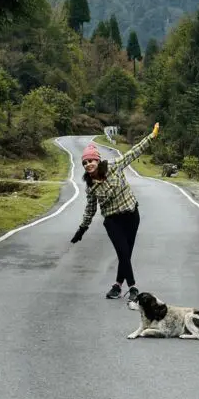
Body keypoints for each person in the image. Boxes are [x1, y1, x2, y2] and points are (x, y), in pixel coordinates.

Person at [71, 124, 160, 301]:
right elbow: (90, 210)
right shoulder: (91, 187)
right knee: (123, 252)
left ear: (98, 161)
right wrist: (82, 229)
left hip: (132, 215)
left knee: (126, 254)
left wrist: (152, 136)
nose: (88, 164)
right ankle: (133, 287)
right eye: (85, 163)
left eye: (91, 161)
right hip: (112, 221)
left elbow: (133, 152)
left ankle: (117, 286)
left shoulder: (113, 166)